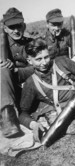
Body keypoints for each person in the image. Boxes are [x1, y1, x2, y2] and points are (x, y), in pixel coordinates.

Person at [0, 7, 34, 138]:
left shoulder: (31, 43)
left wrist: (15, 69)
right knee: (2, 70)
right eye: (11, 27)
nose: (16, 30)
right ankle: (8, 119)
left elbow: (38, 67)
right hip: (6, 90)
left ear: (24, 26)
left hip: (27, 88)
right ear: (5, 29)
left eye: (18, 26)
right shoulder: (1, 46)